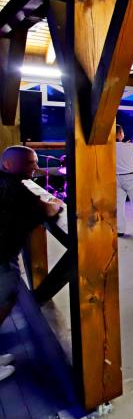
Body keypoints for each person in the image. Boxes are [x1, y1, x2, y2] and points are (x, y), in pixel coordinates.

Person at [0, 146, 64, 383]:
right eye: (30, 163)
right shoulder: (15, 190)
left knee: (7, 298)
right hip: (2, 258)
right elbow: (48, 210)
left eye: (35, 162)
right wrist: (55, 203)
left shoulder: (7, 183)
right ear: (8, 164)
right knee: (4, 300)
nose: (35, 167)